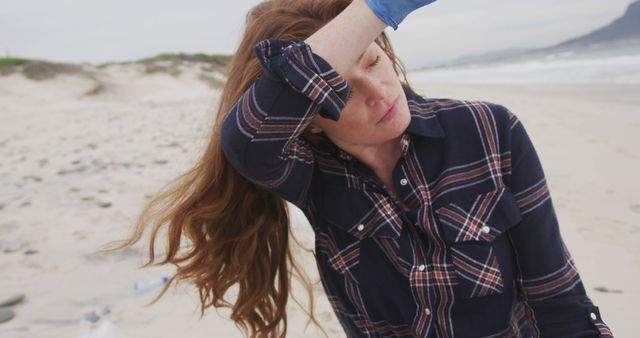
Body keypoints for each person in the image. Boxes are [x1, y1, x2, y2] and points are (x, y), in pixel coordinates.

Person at [104, 0, 614, 337]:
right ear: (308, 121)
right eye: (341, 89)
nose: (378, 92)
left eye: (372, 62)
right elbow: (245, 137)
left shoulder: (489, 130)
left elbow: (558, 297)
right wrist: (375, 6)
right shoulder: (312, 177)